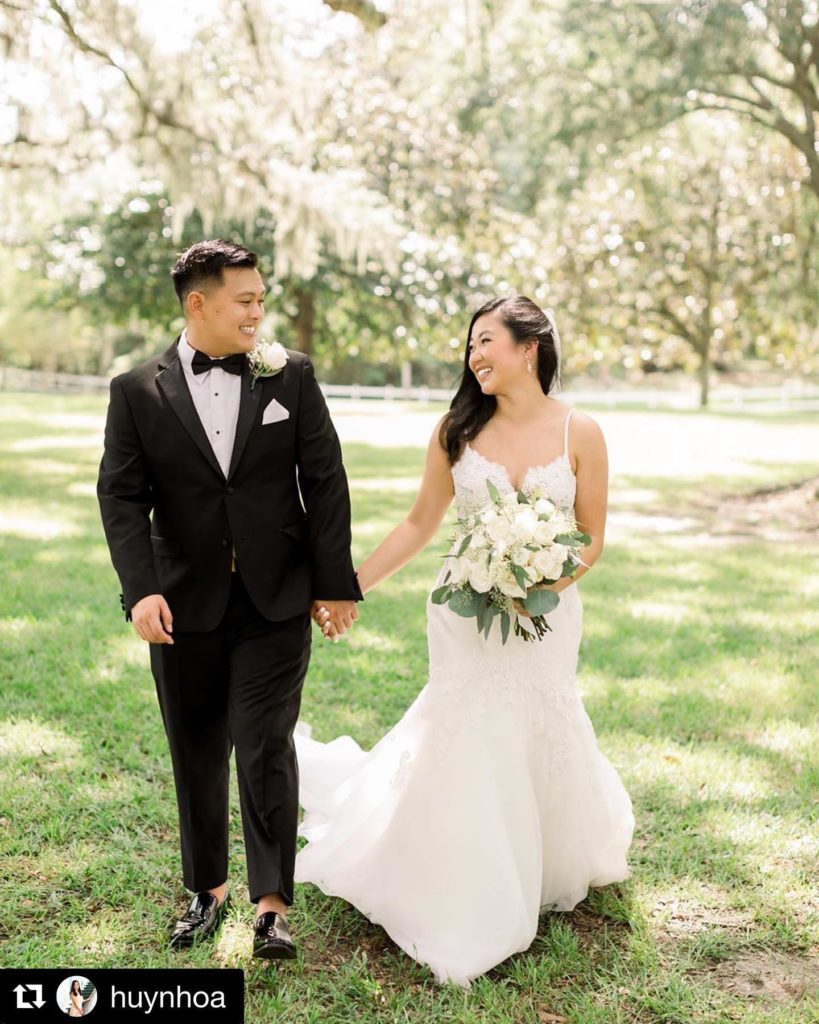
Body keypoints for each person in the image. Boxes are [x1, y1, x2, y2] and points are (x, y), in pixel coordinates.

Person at [301, 295, 634, 987]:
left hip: (546, 611)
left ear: (529, 347)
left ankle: (535, 858)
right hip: (461, 609)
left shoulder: (582, 431)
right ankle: (458, 875)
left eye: (486, 341)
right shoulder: (455, 429)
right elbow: (421, 523)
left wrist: (541, 582)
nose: (474, 356)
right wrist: (349, 586)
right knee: (467, 725)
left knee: (537, 720)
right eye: (470, 345)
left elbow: (593, 536)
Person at [97, 239, 362, 960]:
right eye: (244, 300)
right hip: (183, 602)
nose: (257, 311)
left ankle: (273, 905)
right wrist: (140, 590)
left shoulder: (291, 376)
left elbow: (325, 479)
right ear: (198, 303)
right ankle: (205, 888)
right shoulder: (135, 391)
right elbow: (120, 496)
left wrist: (333, 580)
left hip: (277, 596)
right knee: (196, 745)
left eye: (261, 300)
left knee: (265, 742)